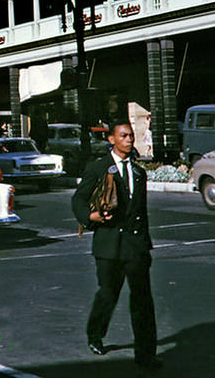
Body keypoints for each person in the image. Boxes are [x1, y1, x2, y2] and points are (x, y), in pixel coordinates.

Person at [71, 120, 160, 371]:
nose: (129, 140)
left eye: (131, 135)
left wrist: (145, 247)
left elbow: (140, 213)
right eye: (123, 136)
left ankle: (146, 355)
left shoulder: (139, 173)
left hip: (136, 248)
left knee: (142, 300)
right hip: (109, 246)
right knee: (108, 294)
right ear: (112, 139)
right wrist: (90, 218)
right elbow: (78, 199)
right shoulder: (99, 168)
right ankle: (95, 334)